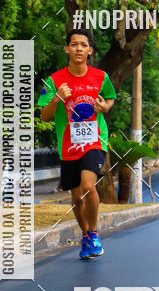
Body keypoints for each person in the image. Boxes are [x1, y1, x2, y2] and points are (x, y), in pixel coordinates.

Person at [38, 28, 117, 260]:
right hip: (68, 144)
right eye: (74, 44)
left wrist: (106, 107)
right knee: (76, 198)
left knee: (88, 186)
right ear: (67, 49)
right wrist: (56, 99)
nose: (79, 48)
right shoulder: (54, 80)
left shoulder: (101, 77)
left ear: (90, 50)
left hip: (94, 140)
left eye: (83, 45)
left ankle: (93, 233)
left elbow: (110, 98)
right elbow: (44, 116)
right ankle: (85, 234)